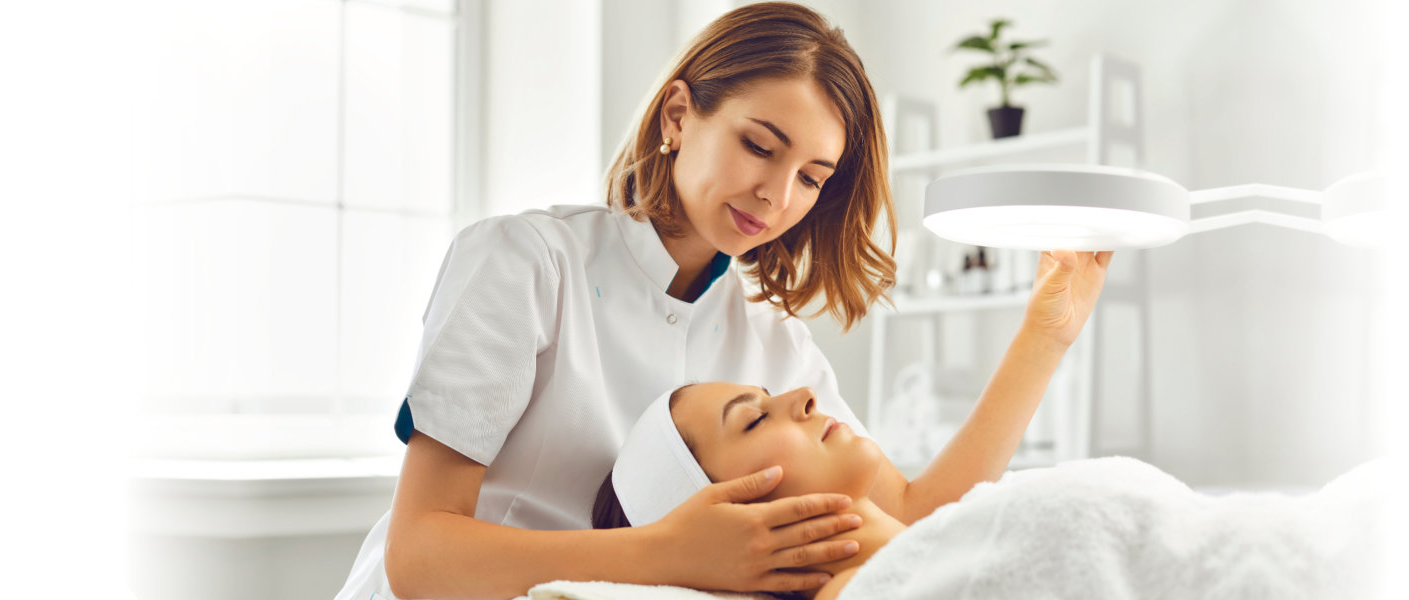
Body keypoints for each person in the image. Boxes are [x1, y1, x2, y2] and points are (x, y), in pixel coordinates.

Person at [333, 3, 1114, 598]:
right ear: (679, 116)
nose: (777, 196)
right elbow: (421, 556)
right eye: (759, 146)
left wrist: (1046, 332)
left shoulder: (775, 345)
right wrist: (666, 554)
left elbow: (913, 516)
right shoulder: (526, 263)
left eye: (812, 177)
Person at [591, 249, 1113, 600]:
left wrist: (1045, 336)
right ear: (731, 522)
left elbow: (921, 513)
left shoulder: (931, 555)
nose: (804, 396)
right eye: (754, 420)